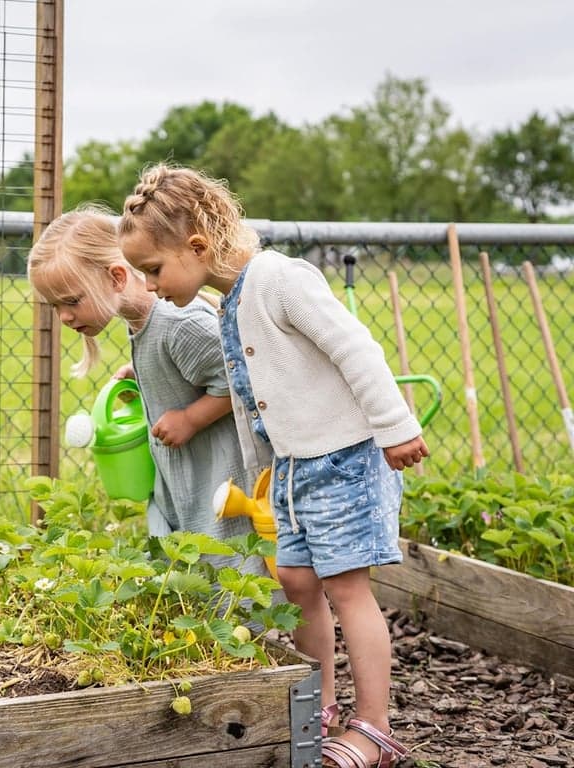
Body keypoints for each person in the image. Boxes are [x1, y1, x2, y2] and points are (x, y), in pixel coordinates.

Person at [117, 164, 427, 768]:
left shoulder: (280, 281)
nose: (150, 286)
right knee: (295, 582)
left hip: (341, 461)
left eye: (153, 269)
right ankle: (319, 708)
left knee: (346, 588)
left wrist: (396, 428)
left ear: (198, 246)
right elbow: (248, 389)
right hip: (290, 471)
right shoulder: (230, 300)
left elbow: (354, 346)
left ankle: (376, 730)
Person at [27, 204, 270, 578]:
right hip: (191, 483)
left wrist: (190, 418)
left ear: (118, 277)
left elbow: (243, 379)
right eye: (55, 305)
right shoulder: (145, 321)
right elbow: (189, 371)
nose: (64, 316)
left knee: (231, 580)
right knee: (195, 583)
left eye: (72, 300)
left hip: (224, 486)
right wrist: (145, 374)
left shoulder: (177, 323)